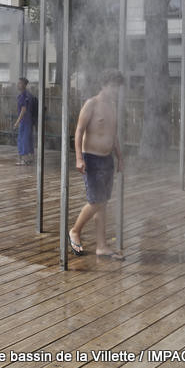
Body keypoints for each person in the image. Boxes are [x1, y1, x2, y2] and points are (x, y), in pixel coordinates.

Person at [69, 69, 125, 260]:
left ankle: (101, 246)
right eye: (114, 86)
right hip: (91, 158)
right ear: (104, 84)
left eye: (118, 87)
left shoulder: (113, 107)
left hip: (107, 159)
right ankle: (75, 231)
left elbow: (113, 134)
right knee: (96, 201)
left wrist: (120, 157)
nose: (116, 90)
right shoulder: (91, 104)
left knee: (103, 204)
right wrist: (78, 158)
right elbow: (78, 131)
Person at [13, 77, 35, 165]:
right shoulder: (28, 94)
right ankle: (30, 158)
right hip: (28, 121)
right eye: (18, 83)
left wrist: (17, 122)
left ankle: (25, 160)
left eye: (20, 83)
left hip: (25, 121)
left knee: (23, 140)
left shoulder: (24, 96)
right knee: (28, 139)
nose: (18, 85)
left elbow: (23, 110)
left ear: (24, 85)